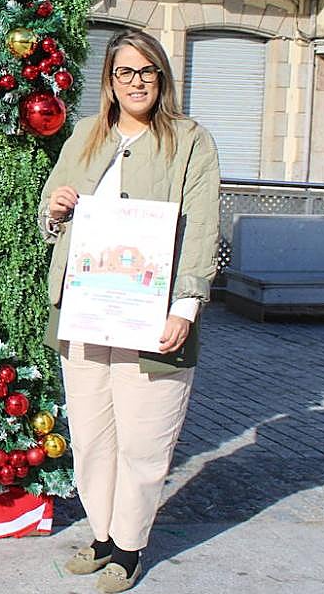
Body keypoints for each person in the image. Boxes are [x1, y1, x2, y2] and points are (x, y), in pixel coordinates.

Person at [38, 30, 220, 593]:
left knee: (144, 439)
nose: (136, 82)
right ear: (110, 82)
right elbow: (50, 220)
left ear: (161, 78)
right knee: (93, 435)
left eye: (147, 71)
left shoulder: (189, 141)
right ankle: (100, 535)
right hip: (87, 308)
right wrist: (57, 208)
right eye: (124, 72)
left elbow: (201, 228)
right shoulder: (86, 139)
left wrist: (184, 308)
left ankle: (129, 546)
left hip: (154, 312)